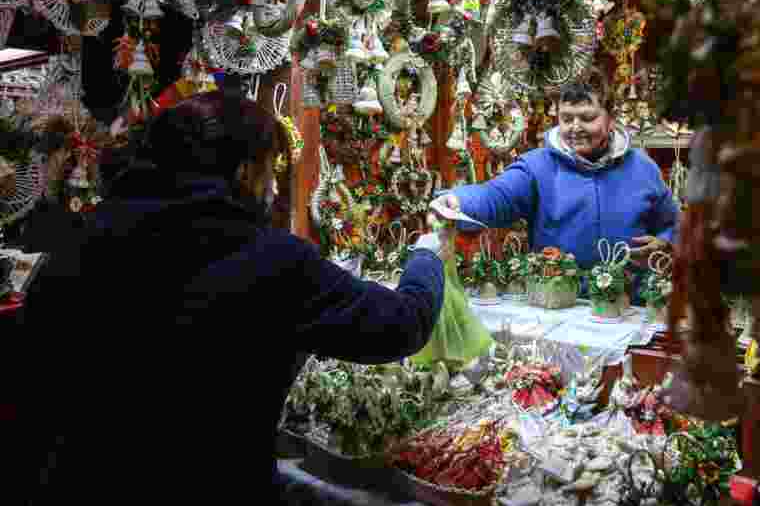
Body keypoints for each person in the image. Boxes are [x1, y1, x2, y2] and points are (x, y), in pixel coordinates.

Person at [14, 88, 446, 505]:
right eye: (270, 169)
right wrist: (427, 253)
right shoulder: (271, 260)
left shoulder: (76, 248)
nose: (274, 187)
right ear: (244, 172)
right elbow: (400, 324)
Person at [433, 74, 679, 301]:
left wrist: (666, 243)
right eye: (566, 118)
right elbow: (496, 195)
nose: (575, 127)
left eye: (587, 118)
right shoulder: (537, 166)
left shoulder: (643, 168)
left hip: (631, 307)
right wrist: (458, 200)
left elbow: (673, 223)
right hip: (558, 304)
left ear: (610, 118)